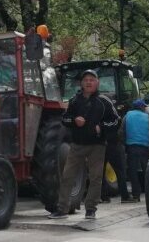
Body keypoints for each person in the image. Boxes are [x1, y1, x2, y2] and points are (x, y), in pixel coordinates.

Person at [49, 69, 119, 220]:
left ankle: (91, 210)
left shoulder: (104, 101)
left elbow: (116, 121)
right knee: (67, 176)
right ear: (81, 83)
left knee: (95, 178)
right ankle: (62, 209)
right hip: (77, 145)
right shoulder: (74, 101)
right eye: (86, 80)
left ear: (97, 83)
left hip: (97, 146)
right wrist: (74, 121)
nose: (88, 82)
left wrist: (102, 126)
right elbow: (64, 119)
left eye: (92, 80)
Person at [123, 99, 149, 201]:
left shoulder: (127, 116)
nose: (144, 108)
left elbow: (122, 130)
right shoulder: (147, 117)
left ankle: (136, 195)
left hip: (131, 146)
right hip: (144, 146)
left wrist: (125, 142)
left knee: (132, 171)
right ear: (140, 107)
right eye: (143, 106)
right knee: (147, 171)